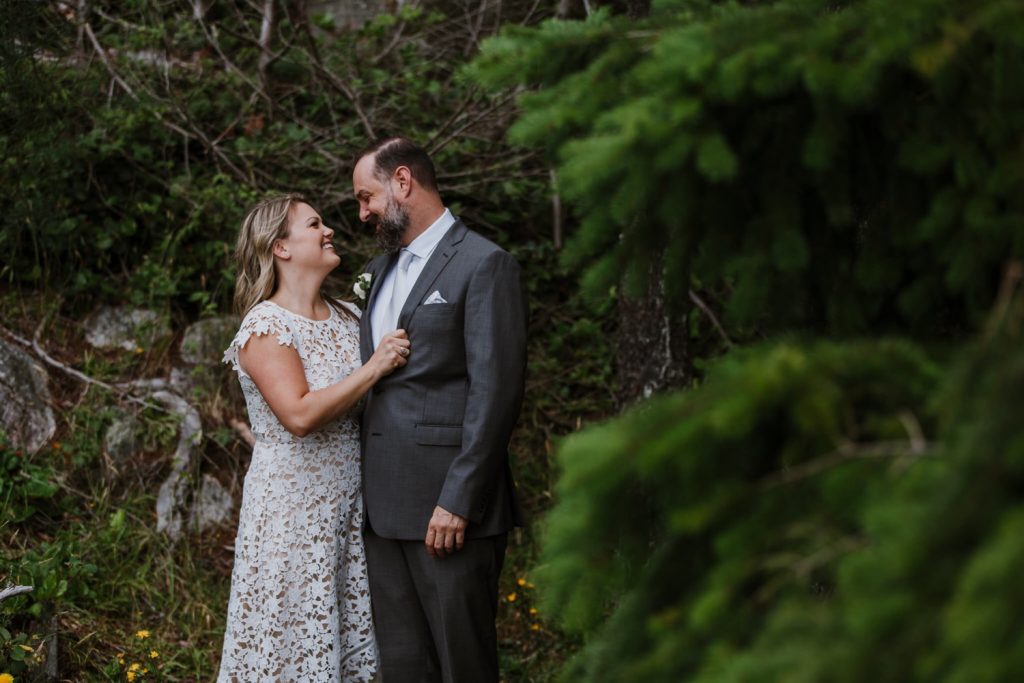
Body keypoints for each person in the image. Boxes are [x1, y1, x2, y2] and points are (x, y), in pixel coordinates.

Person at [352, 137, 528, 682]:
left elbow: (496, 389)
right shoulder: (379, 270)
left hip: (447, 513)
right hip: (383, 511)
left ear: (402, 182)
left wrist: (459, 498)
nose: (362, 214)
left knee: (462, 666)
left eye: (366, 198)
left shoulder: (484, 264)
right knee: (404, 668)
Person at [218, 194, 410, 682]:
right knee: (291, 644)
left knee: (345, 644)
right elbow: (299, 415)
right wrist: (375, 367)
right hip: (291, 515)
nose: (329, 231)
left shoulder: (349, 316)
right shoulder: (266, 325)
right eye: (314, 224)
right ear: (280, 247)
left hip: (349, 510)